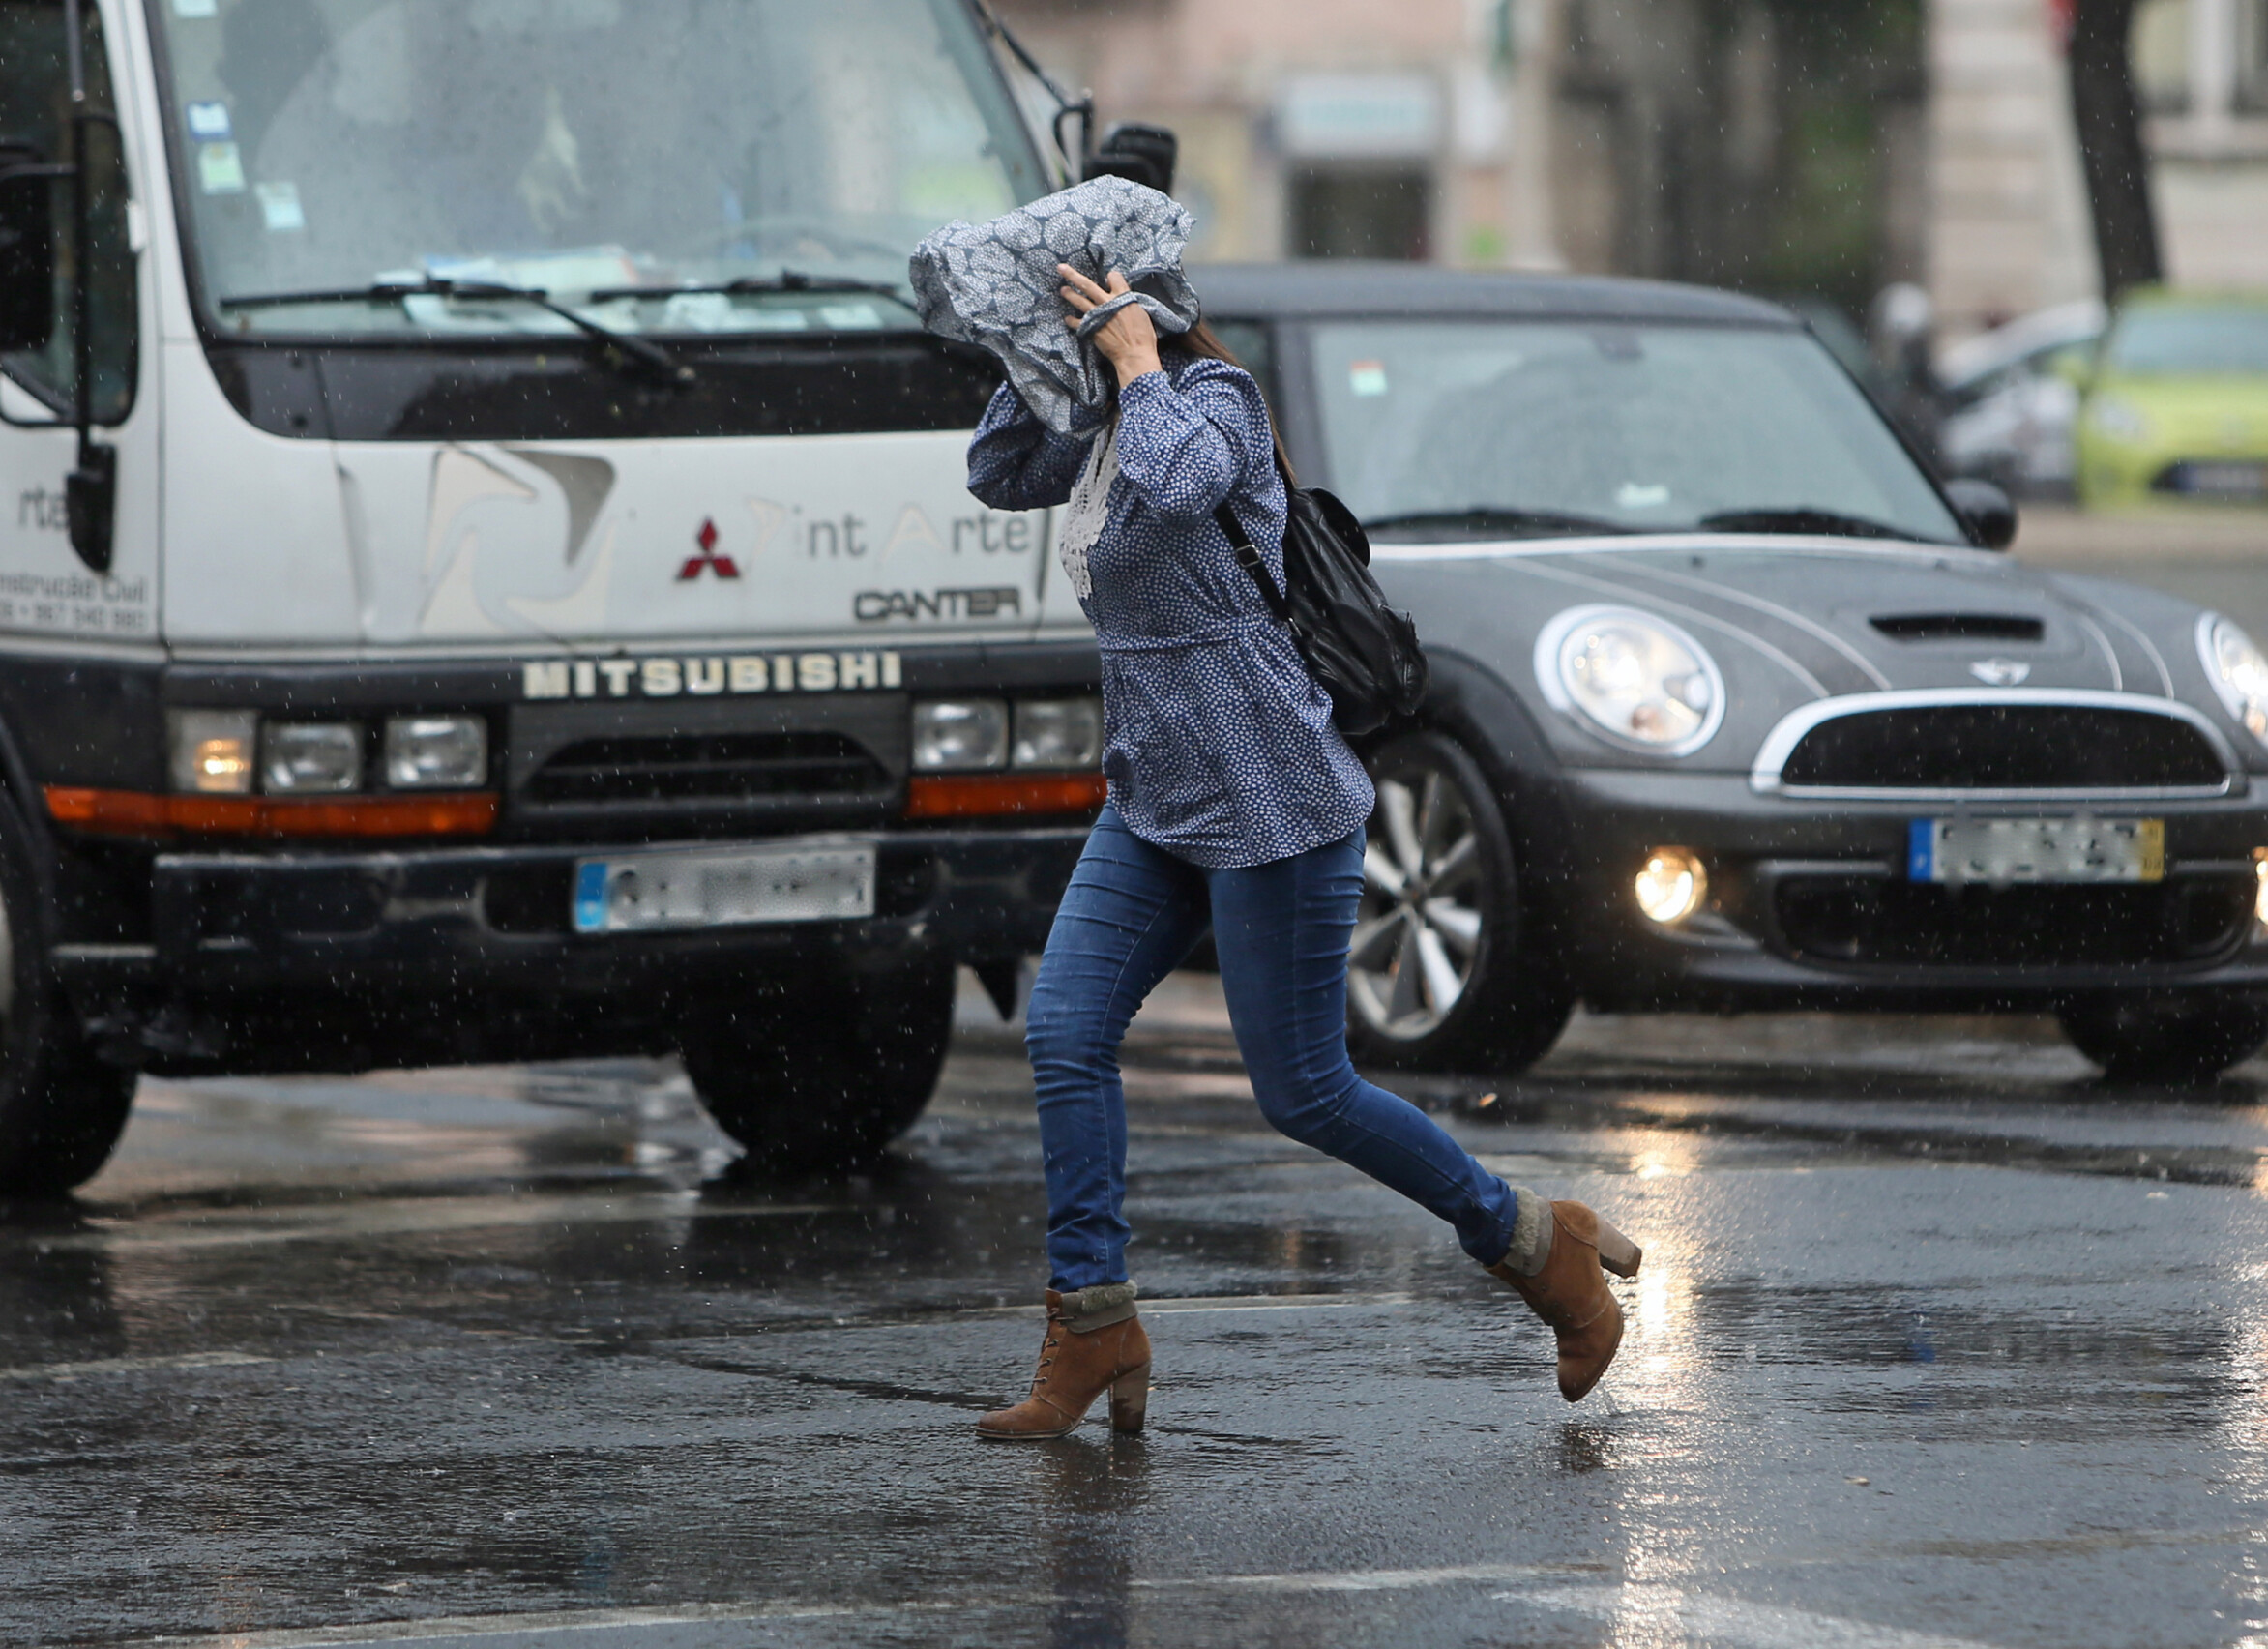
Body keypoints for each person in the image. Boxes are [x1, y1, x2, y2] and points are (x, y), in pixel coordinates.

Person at [960, 260, 1643, 1441]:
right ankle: (1092, 1319)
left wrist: (1138, 362)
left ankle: (1539, 1245)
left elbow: (1176, 490)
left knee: (1305, 1092)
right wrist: (1031, 358)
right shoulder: (1090, 423)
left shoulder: (1211, 400)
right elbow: (992, 472)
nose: (1080, 323)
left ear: (1146, 303)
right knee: (1063, 1032)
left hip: (1269, 793)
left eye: (1090, 299)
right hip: (1156, 792)